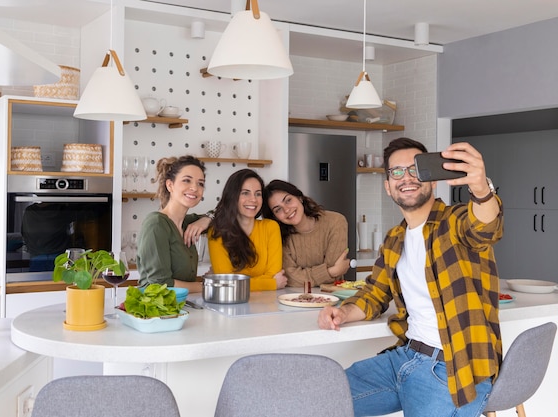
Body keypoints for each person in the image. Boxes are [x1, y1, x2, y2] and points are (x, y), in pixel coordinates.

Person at [317, 137, 504, 417]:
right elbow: (374, 294)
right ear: (388, 186)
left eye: (416, 169)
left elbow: (485, 228)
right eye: (397, 172)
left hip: (451, 370)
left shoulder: (455, 223)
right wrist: (342, 313)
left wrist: (481, 190)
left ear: (432, 180)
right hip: (405, 358)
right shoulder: (395, 239)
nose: (407, 177)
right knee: (319, 399)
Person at [137, 155, 212, 292]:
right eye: (186, 181)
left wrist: (207, 219)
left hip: (181, 307)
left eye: (200, 183)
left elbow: (226, 217)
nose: (194, 188)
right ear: (170, 185)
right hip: (156, 308)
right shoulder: (156, 224)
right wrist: (207, 287)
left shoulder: (186, 223)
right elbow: (160, 283)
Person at [208, 169, 287, 291]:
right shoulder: (217, 232)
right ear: (233, 196)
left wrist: (240, 284)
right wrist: (271, 284)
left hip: (268, 304)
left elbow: (273, 274)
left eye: (258, 194)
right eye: (245, 193)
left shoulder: (271, 227)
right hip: (231, 305)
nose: (253, 199)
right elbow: (227, 283)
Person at [263, 179, 350, 288]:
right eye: (278, 210)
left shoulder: (335, 221)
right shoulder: (278, 236)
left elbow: (336, 274)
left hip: (331, 297)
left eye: (288, 200)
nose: (286, 210)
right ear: (275, 217)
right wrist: (330, 272)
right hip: (293, 299)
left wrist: (331, 272)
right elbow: (289, 278)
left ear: (299, 197)